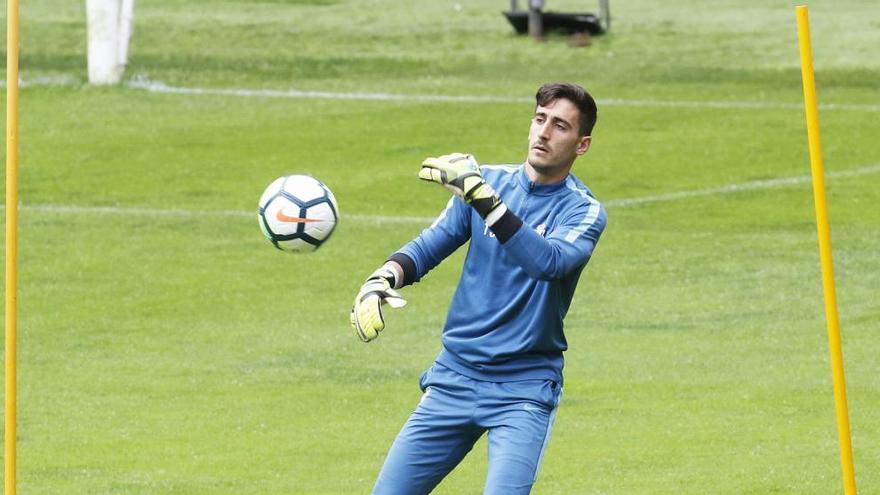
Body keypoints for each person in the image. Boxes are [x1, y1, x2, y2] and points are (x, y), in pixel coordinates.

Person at [350, 82, 607, 495]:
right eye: (540, 119)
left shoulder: (582, 210)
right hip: (454, 376)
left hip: (523, 389)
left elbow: (548, 262)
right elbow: (428, 245)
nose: (543, 133)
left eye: (560, 126)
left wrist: (484, 199)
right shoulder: (486, 183)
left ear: (582, 144)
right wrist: (382, 278)